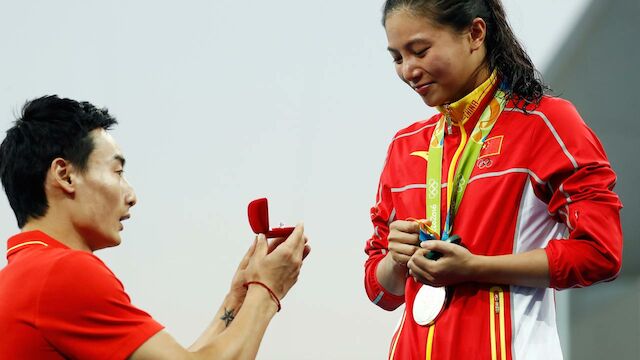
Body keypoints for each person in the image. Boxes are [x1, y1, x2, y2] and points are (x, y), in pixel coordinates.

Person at [363, 1, 623, 359]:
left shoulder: (545, 123)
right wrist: (395, 260)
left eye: (420, 51)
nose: (409, 70)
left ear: (475, 34)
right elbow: (381, 292)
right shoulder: (404, 146)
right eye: (397, 58)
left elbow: (600, 252)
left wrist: (476, 268)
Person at [0, 95, 311, 359]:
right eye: (117, 171)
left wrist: (237, 300)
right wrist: (268, 289)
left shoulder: (26, 276)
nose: (132, 196)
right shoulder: (64, 274)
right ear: (65, 175)